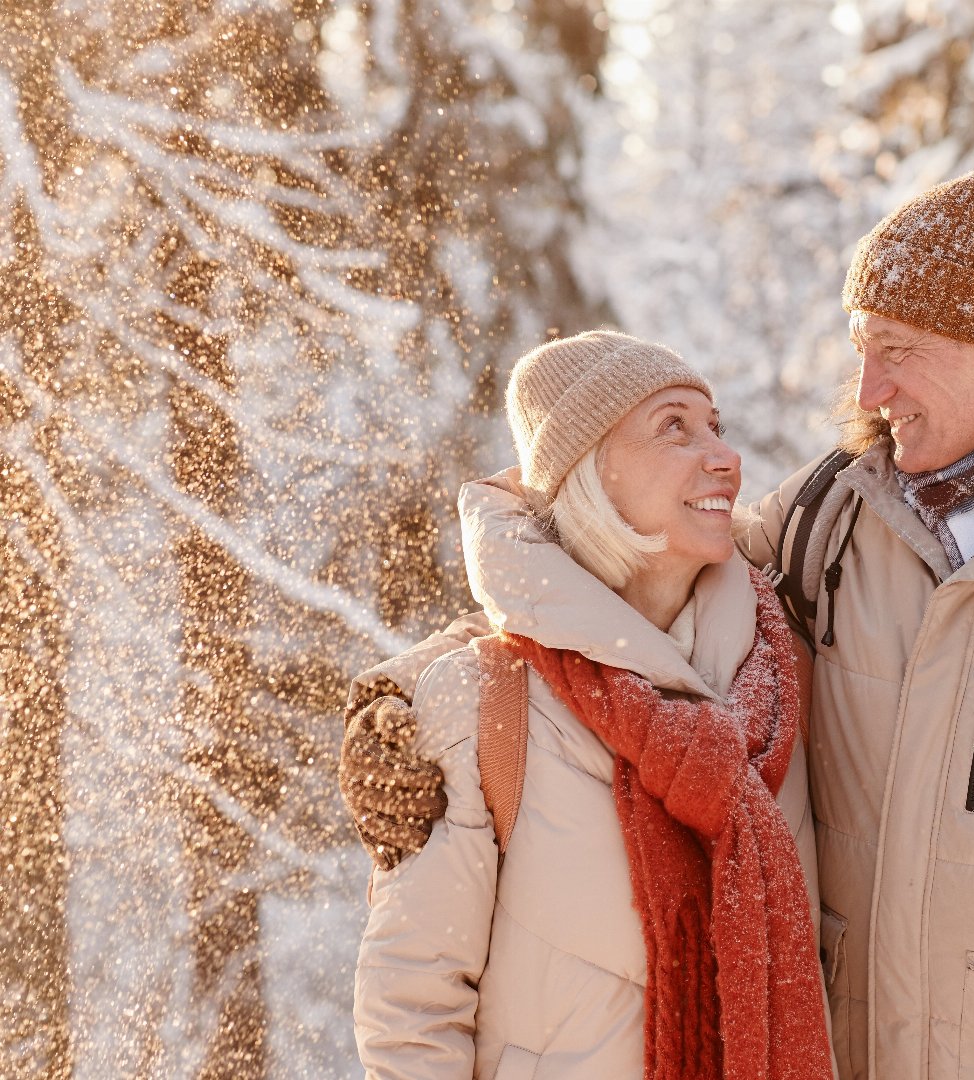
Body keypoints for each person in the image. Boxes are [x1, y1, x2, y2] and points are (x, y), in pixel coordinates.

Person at [343, 166, 974, 1080]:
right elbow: (615, 588)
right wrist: (416, 698)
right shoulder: (840, 513)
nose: (869, 392)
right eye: (862, 351)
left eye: (900, 353)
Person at [344, 331, 833, 1079]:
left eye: (716, 427)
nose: (724, 457)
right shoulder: (485, 703)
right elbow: (412, 1010)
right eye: (674, 427)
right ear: (589, 470)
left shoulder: (779, 673)